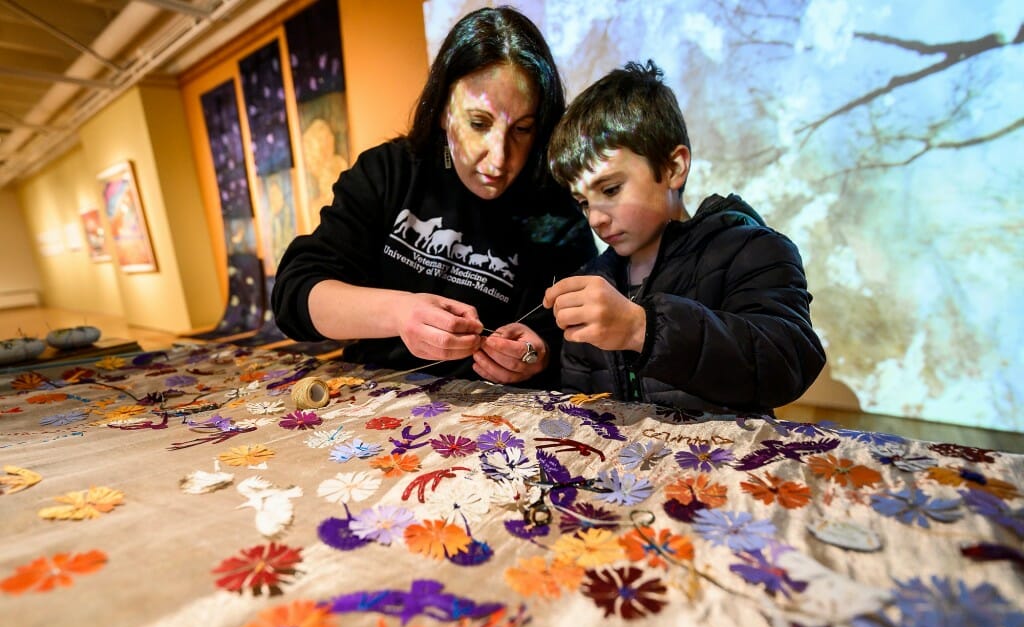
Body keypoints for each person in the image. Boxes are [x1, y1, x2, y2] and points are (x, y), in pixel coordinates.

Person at [271, 6, 595, 385]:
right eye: (478, 123)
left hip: (492, 414)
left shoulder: (555, 209)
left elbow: (577, 337)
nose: (499, 158)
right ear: (443, 110)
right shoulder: (390, 172)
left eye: (522, 129)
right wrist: (398, 312)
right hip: (376, 391)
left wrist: (539, 354)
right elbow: (294, 295)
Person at [542, 60, 825, 414]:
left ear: (674, 167)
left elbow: (788, 361)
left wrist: (642, 328)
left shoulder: (751, 250)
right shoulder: (594, 279)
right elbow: (580, 400)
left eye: (611, 189)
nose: (596, 218)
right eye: (584, 202)